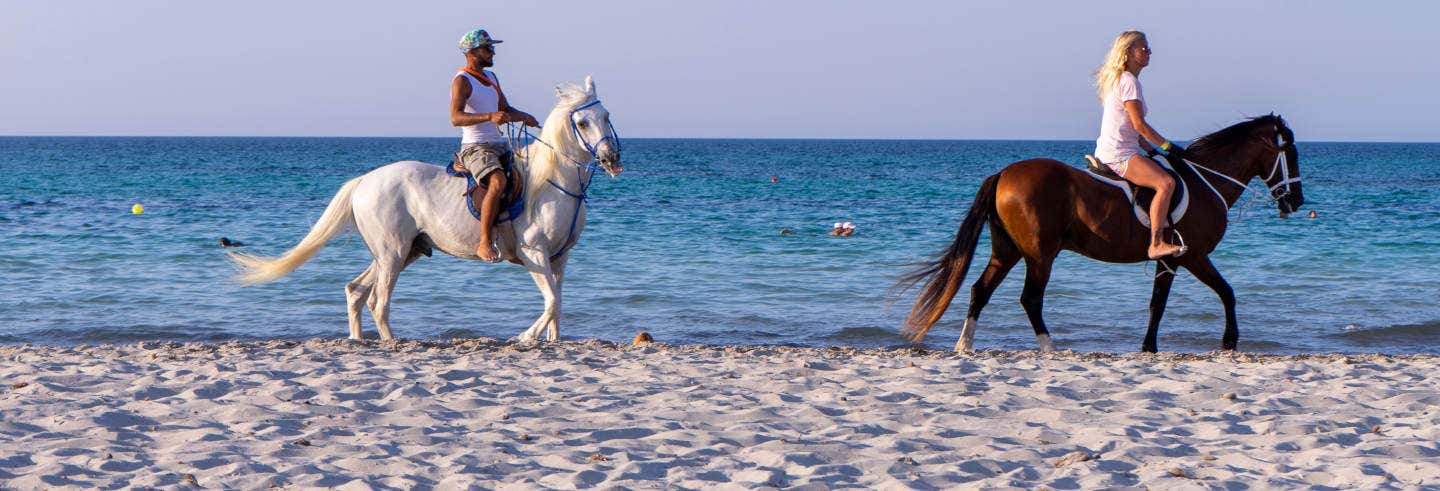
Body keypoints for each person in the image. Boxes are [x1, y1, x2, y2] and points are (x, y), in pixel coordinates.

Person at [1094, 31, 1187, 259]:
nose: (1149, 52)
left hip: (1117, 149)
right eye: (1143, 49)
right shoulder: (1129, 82)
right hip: (1120, 154)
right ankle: (1156, 244)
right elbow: (1139, 125)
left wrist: (1152, 151)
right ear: (1128, 53)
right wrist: (1169, 147)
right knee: (1166, 183)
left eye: (1148, 48)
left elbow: (1132, 129)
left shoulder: (1120, 79)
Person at [451, 28, 539, 262]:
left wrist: (524, 117)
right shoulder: (463, 80)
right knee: (498, 181)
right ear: (472, 52)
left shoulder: (491, 78)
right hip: (475, 147)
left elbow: (505, 109)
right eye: (487, 48)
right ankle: (484, 242)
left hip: (497, 144)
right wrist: (489, 117)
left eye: (492, 48)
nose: (493, 53)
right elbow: (455, 118)